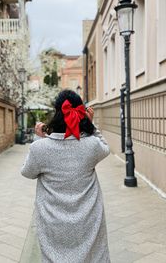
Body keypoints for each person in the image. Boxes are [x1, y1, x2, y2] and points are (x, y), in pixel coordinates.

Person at [21, 89, 111, 263]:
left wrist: (39, 138)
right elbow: (105, 147)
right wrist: (91, 126)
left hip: (52, 219)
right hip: (88, 218)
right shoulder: (91, 144)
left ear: (56, 112)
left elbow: (27, 172)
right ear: (81, 113)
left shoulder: (41, 147)